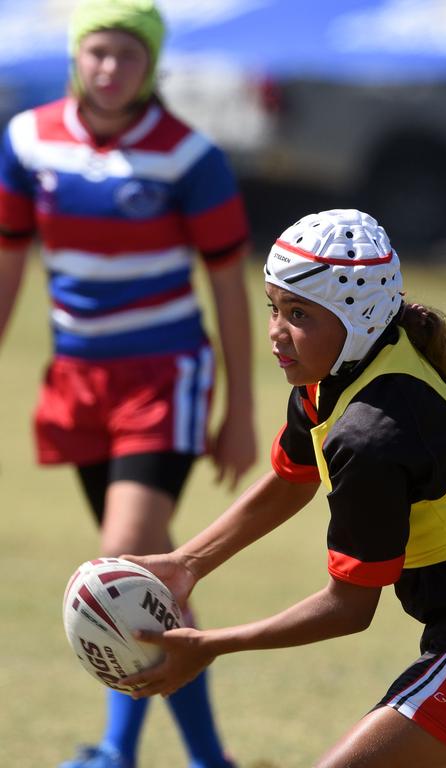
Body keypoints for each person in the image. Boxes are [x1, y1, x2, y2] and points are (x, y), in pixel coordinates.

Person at [116, 208, 446, 767]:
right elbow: (288, 480)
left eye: (298, 313)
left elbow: (348, 608)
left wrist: (213, 645)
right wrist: (188, 563)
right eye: (274, 308)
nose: (277, 333)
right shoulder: (336, 374)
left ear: (358, 318)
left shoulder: (373, 435)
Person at [0, 1, 257, 766]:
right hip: (78, 379)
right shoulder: (24, 139)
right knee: (152, 577)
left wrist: (240, 407)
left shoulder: (190, 156)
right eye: (99, 53)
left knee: (121, 563)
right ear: (78, 55)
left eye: (129, 56)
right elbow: (10, 260)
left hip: (165, 378)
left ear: (153, 66)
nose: (111, 69)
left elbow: (229, 288)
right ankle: (211, 758)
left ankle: (117, 753)